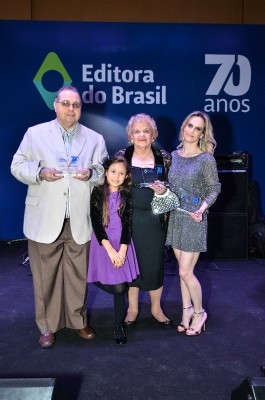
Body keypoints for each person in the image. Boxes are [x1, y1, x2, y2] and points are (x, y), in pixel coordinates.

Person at [11, 85, 108, 347]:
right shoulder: (35, 134)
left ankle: (78, 321)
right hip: (44, 217)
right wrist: (40, 171)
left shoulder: (95, 139)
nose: (71, 109)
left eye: (76, 105)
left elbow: (103, 173)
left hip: (79, 219)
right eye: (65, 103)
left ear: (81, 109)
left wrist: (92, 174)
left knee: (78, 276)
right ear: (55, 105)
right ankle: (47, 326)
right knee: (45, 277)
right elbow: (17, 166)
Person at [155, 111, 221, 336]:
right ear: (184, 127)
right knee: (181, 271)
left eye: (198, 128)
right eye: (190, 126)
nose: (192, 131)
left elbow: (215, 188)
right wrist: (162, 190)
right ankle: (186, 312)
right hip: (176, 217)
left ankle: (200, 312)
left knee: (185, 272)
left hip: (194, 219)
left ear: (203, 133)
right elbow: (171, 188)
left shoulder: (206, 159)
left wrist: (202, 209)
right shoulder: (174, 155)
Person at [116, 113, 173, 329]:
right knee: (132, 264)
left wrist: (164, 191)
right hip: (128, 220)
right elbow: (113, 184)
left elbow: (174, 189)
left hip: (155, 221)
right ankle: (132, 309)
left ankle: (156, 308)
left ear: (153, 134)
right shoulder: (122, 155)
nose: (142, 135)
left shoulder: (164, 158)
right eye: (137, 131)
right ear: (130, 135)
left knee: (154, 263)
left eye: (146, 131)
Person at [87, 156, 139, 345]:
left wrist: (123, 251)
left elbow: (127, 224)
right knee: (119, 287)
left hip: (122, 243)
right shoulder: (97, 193)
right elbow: (97, 224)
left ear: (126, 177)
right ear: (106, 172)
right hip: (103, 244)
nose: (117, 176)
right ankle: (91, 278)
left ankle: (118, 325)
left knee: (120, 287)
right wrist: (110, 250)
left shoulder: (127, 195)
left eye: (121, 173)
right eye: (113, 172)